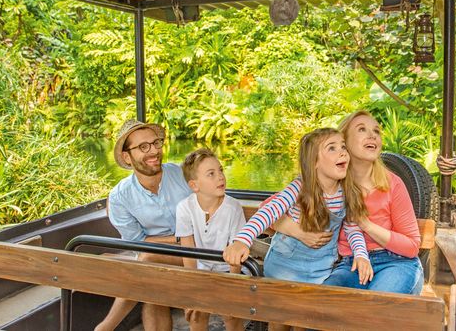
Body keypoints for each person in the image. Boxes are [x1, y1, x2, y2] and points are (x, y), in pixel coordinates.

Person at [275, 111, 424, 295]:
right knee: (320, 305)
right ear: (343, 143)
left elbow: (411, 246)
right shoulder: (330, 180)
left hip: (395, 262)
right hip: (349, 264)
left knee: (374, 307)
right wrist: (301, 234)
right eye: (362, 129)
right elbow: (269, 210)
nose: (372, 135)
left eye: (376, 131)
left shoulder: (392, 183)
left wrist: (366, 225)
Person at [223, 127, 372, 284]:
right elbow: (269, 211)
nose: (342, 152)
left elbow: (352, 227)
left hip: (321, 272)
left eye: (343, 146)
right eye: (332, 148)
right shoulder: (299, 187)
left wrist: (361, 255)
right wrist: (243, 240)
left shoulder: (346, 192)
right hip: (283, 270)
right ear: (314, 162)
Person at [95, 119, 192, 331]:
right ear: (126, 157)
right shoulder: (120, 197)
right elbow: (137, 243)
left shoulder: (182, 175)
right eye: (143, 147)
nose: (153, 151)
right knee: (151, 277)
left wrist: (185, 240)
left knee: (148, 261)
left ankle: (105, 327)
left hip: (200, 249)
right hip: (159, 255)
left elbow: (212, 210)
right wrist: (176, 239)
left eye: (156, 143)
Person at [176, 148, 246, 331]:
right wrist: (193, 290)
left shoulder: (233, 208)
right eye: (211, 174)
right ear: (194, 185)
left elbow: (236, 256)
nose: (220, 177)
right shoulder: (185, 208)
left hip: (230, 271)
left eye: (221, 170)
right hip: (202, 269)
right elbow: (188, 253)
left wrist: (232, 289)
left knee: (231, 315)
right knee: (197, 314)